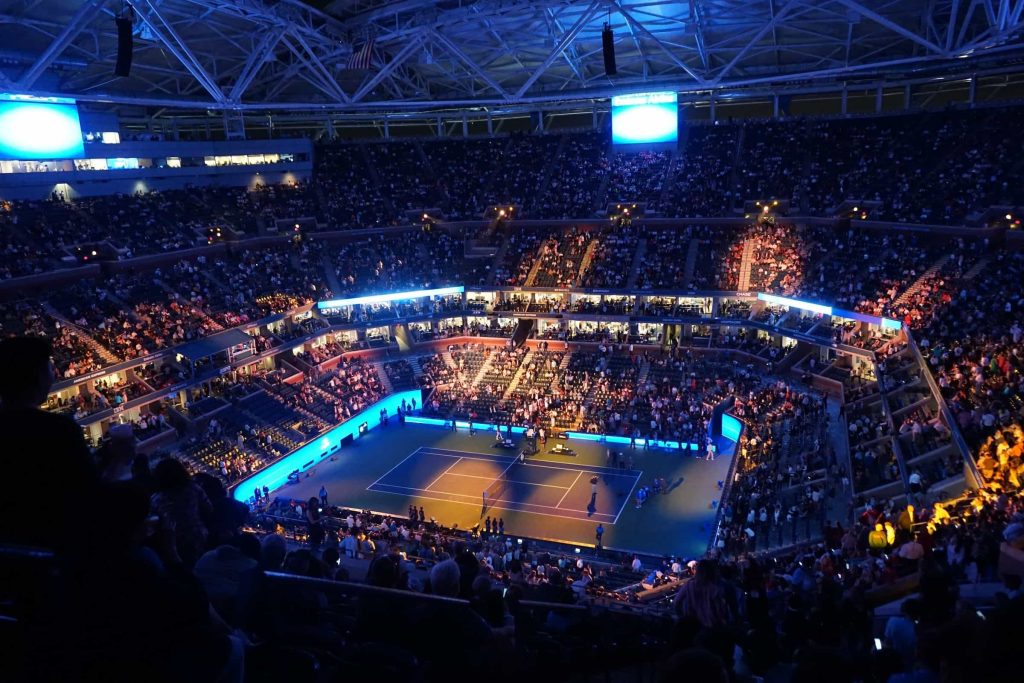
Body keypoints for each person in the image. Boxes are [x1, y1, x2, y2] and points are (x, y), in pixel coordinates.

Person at [0, 337, 98, 549]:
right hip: (55, 547)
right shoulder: (60, 430)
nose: (53, 376)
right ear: (38, 377)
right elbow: (88, 491)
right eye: (49, 369)